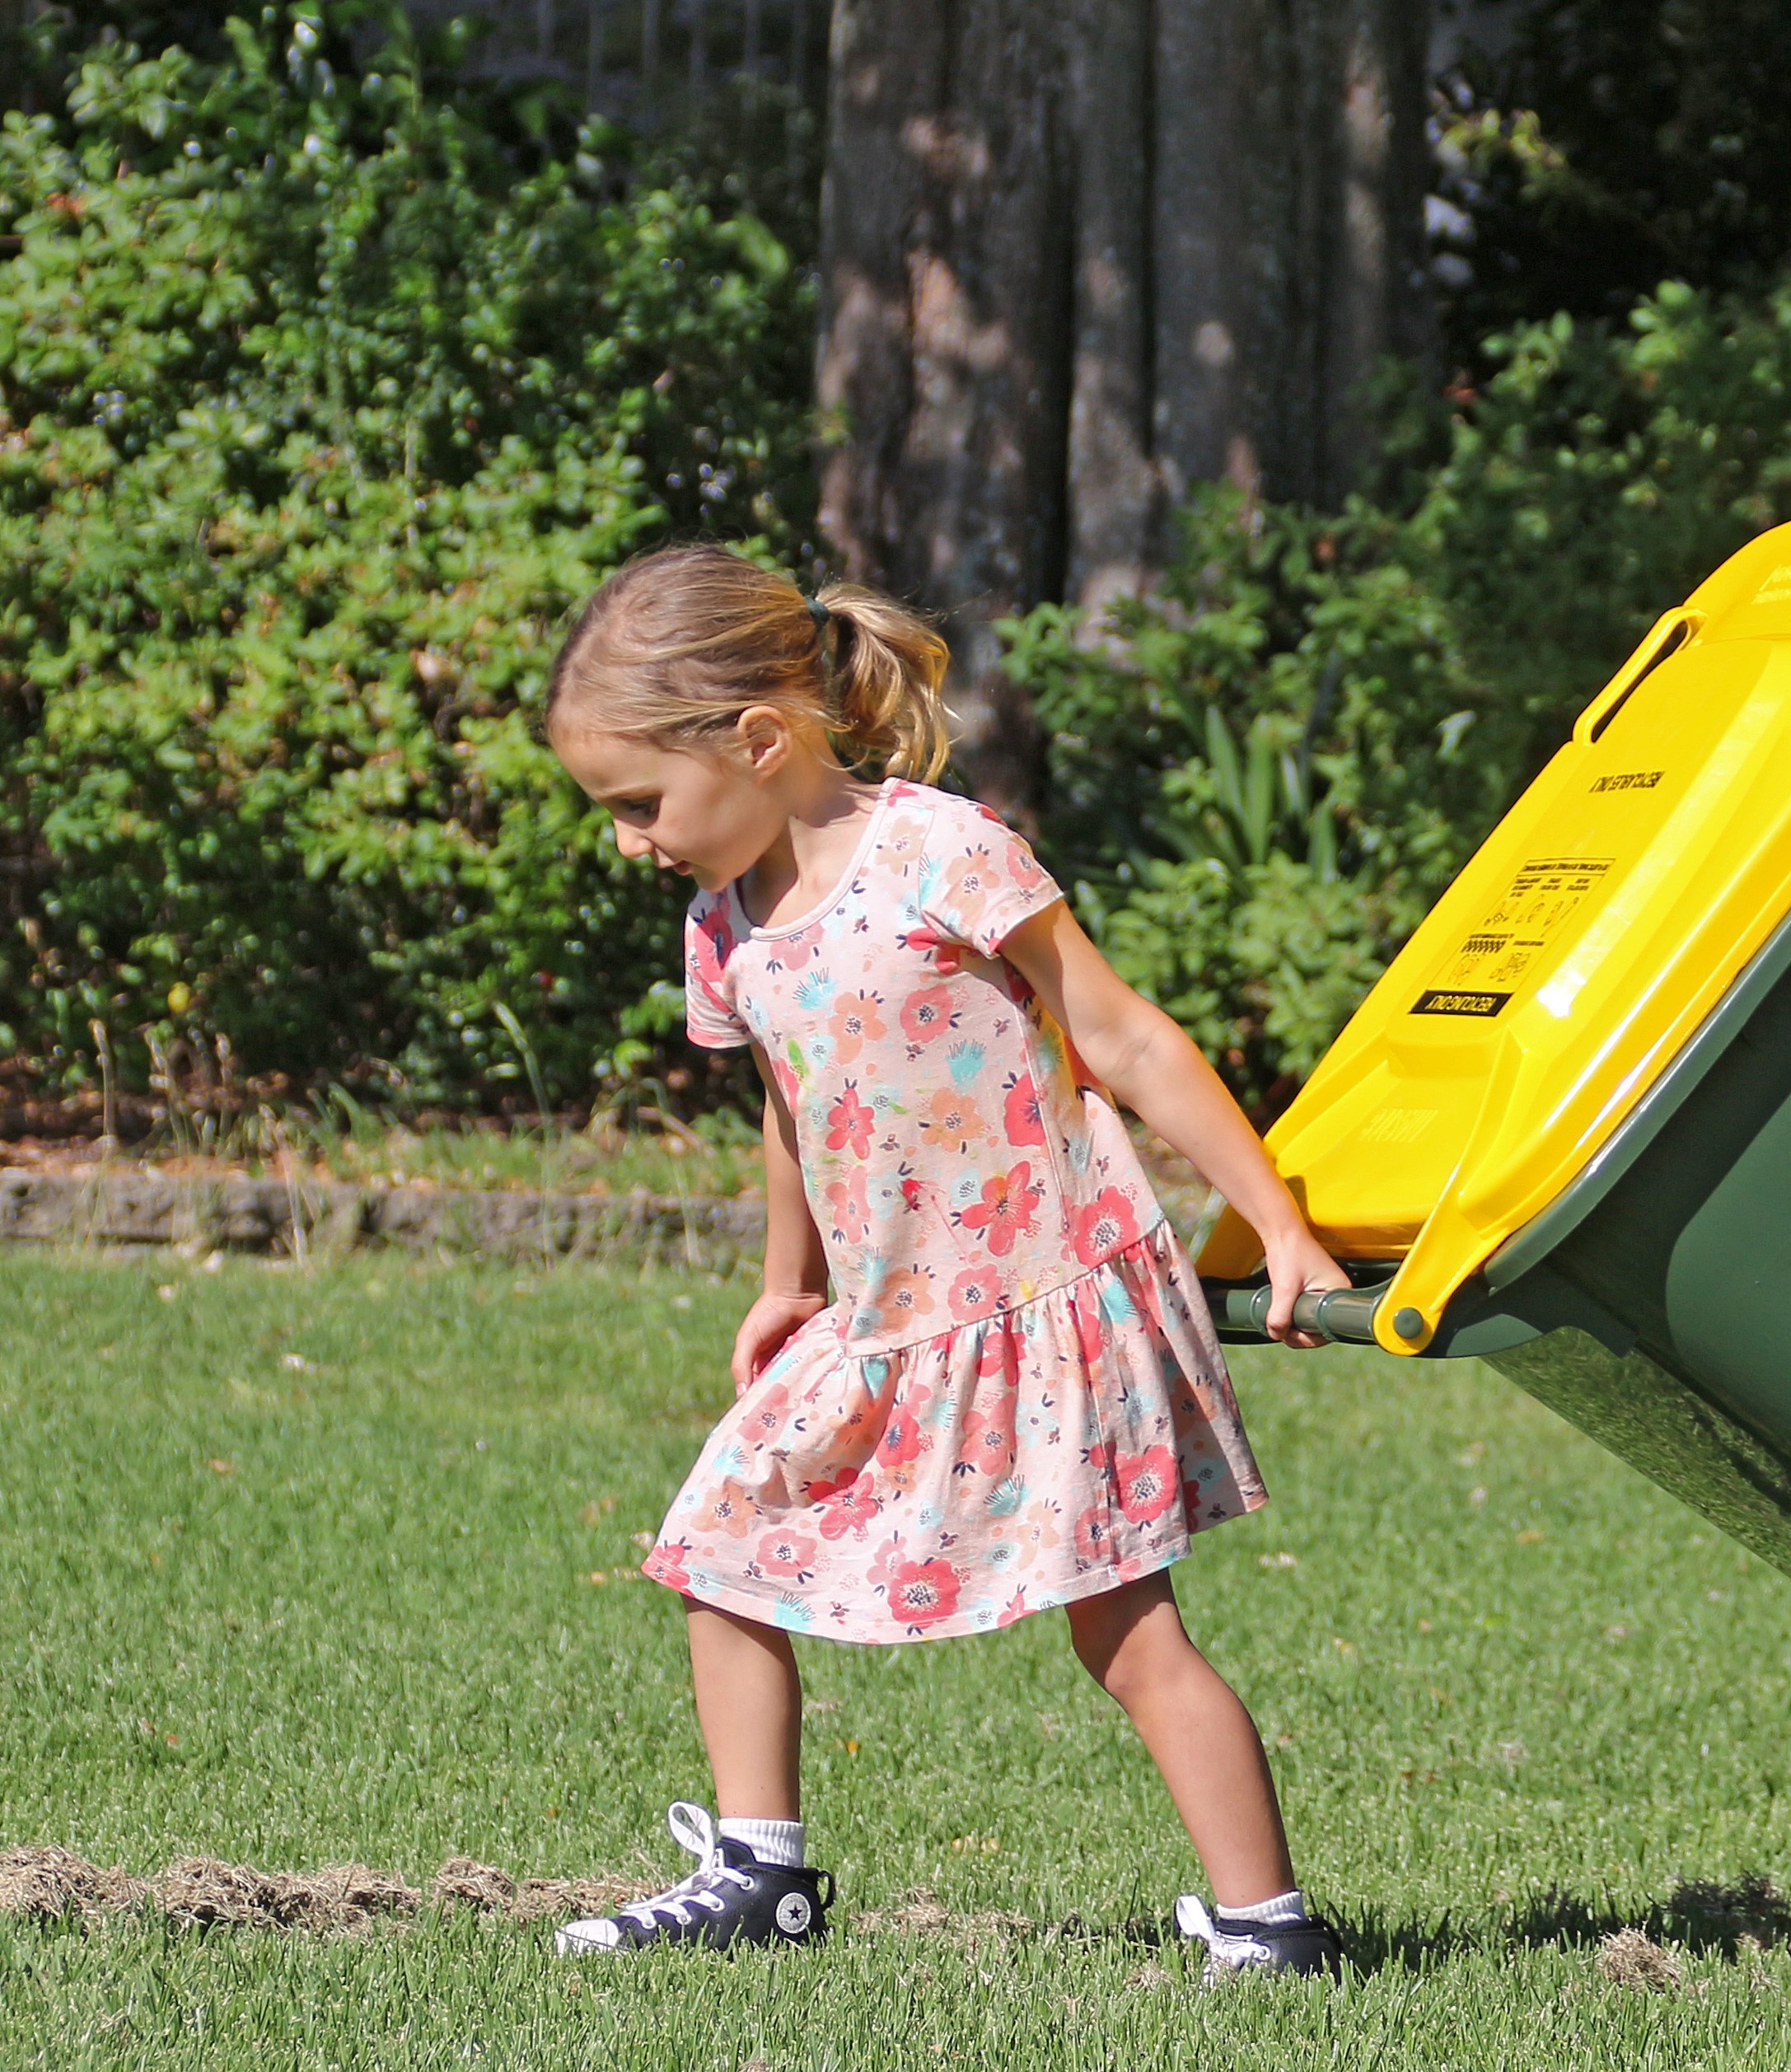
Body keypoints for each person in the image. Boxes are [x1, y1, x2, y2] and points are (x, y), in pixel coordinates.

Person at [535, 545, 1350, 1981]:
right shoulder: (724, 923)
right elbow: (790, 1103)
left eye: (637, 805)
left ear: (760, 740)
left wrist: (1278, 1223)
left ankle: (1267, 1928)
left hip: (1045, 1295)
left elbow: (1122, 1034)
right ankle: (756, 1877)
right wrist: (789, 1284)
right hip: (886, 1312)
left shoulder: (941, 850)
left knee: (1126, 1635)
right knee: (719, 1550)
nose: (629, 841)